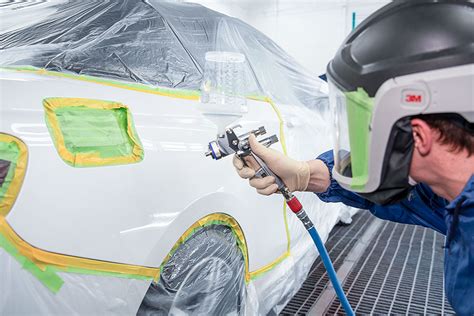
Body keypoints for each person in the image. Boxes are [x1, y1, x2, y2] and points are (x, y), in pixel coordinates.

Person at [233, 1, 474, 315]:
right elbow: (403, 196)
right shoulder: (454, 195)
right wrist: (304, 173)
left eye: (366, 126)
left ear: (418, 136)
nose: (362, 143)